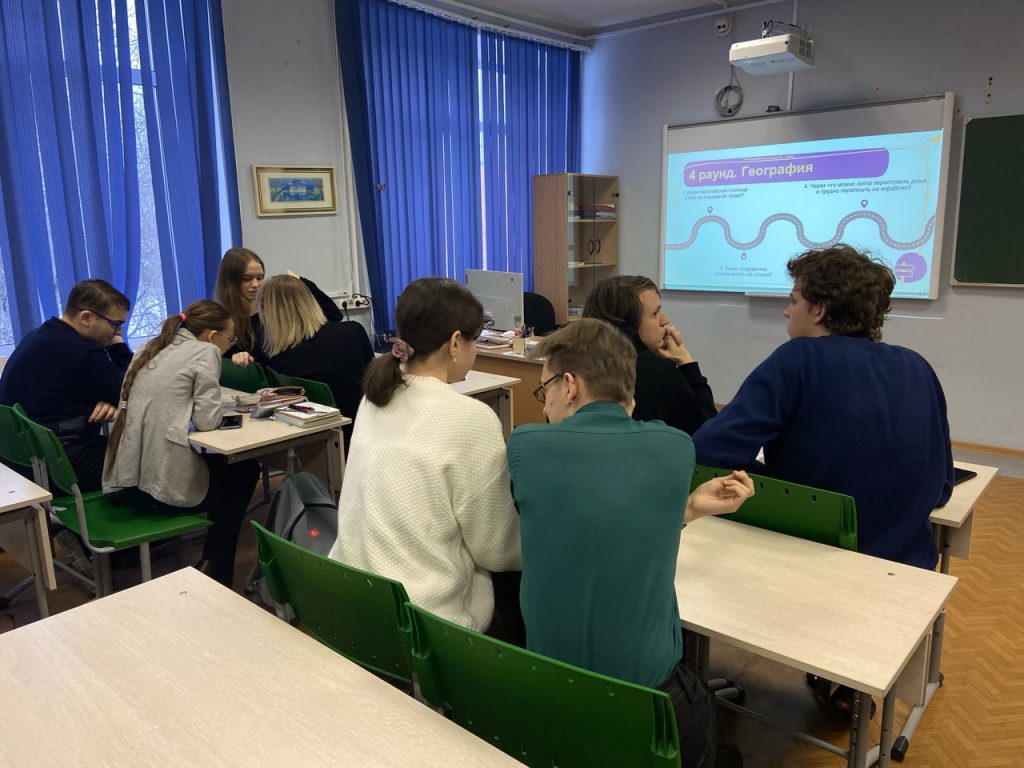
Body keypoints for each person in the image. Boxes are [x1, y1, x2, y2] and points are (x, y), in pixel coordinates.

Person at [506, 318, 754, 768]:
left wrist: (687, 508)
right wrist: (686, 505)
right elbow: (613, 511)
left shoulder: (525, 445)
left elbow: (586, 518)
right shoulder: (674, 447)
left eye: (544, 392)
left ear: (570, 386)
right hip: (651, 702)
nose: (545, 407)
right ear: (629, 394)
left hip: (550, 694)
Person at [329, 277, 521, 634]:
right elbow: (497, 549)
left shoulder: (374, 398)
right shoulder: (471, 418)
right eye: (475, 338)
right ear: (455, 343)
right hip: (426, 621)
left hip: (354, 598)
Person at [103, 300, 261, 587]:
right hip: (156, 492)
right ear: (213, 336)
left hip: (125, 479)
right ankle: (216, 564)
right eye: (230, 340)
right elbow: (207, 422)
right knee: (245, 470)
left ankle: (215, 564)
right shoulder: (205, 351)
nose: (229, 347)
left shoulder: (151, 346)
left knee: (222, 466)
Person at [0, 279, 132, 493]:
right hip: (63, 467)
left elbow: (115, 388)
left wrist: (113, 398)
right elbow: (135, 389)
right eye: (115, 324)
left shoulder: (37, 336)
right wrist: (119, 347)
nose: (117, 332)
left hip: (25, 460)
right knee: (148, 459)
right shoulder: (83, 351)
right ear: (86, 318)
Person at [584, 275, 717, 435]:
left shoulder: (577, 365)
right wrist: (686, 362)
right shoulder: (658, 372)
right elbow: (707, 432)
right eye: (655, 313)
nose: (665, 320)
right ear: (629, 323)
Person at [257, 275, 373, 450]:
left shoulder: (275, 356)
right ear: (309, 300)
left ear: (269, 313)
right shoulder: (352, 332)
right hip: (362, 431)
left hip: (311, 441)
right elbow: (375, 379)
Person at [214, 247, 342, 367]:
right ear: (230, 281)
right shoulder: (224, 323)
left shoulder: (273, 308)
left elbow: (333, 315)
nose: (256, 284)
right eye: (247, 279)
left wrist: (301, 281)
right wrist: (237, 361)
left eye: (260, 278)